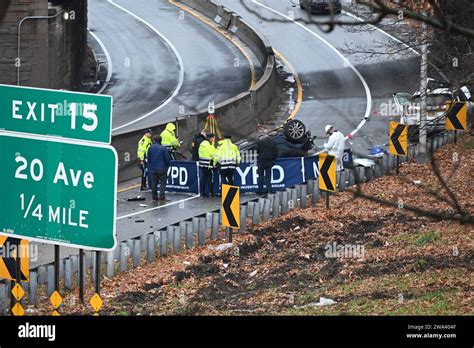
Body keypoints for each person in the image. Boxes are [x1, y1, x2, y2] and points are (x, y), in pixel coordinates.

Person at [147, 135, 171, 201]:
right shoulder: (163, 148)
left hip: (153, 168)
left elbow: (149, 158)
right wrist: (167, 166)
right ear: (161, 140)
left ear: (154, 141)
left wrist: (151, 166)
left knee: (154, 183)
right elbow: (167, 159)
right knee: (163, 183)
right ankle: (161, 196)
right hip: (162, 168)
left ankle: (154, 196)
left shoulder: (150, 148)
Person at [256, 130, 277, 195]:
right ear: (268, 134)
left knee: (260, 176)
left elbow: (257, 151)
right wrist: (274, 160)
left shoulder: (260, 142)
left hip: (261, 161)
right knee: (268, 176)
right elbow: (276, 152)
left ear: (263, 134)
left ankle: (260, 191)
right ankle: (269, 190)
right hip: (269, 161)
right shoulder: (273, 142)